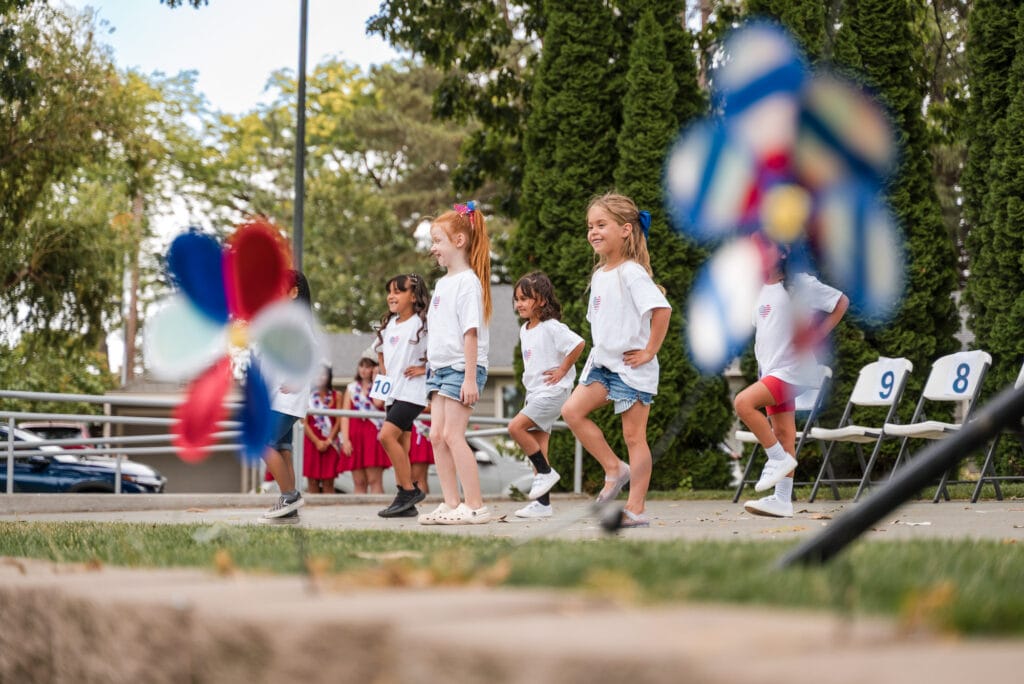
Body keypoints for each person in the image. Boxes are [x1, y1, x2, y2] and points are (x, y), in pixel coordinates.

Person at [561, 193, 671, 529]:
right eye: (590, 226)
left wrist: (650, 350)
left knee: (634, 437)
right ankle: (614, 468)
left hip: (630, 367)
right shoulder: (600, 274)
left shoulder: (632, 273)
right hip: (603, 364)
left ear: (625, 229)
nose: (593, 231)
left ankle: (635, 508)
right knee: (571, 412)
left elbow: (662, 310)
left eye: (601, 225)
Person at [737, 234, 848, 518]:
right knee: (785, 434)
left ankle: (776, 460)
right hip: (772, 371)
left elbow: (841, 302)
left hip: (794, 371)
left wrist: (819, 334)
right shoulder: (759, 291)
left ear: (784, 252)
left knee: (743, 403)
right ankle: (782, 500)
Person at [418, 201, 493, 525]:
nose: (434, 248)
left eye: (438, 241)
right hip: (440, 369)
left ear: (459, 241)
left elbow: (470, 333)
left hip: (462, 368)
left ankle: (475, 504)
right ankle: (451, 503)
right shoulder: (442, 283)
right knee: (436, 435)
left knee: (453, 435)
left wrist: (470, 378)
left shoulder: (468, 282)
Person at [508, 271, 585, 519]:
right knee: (539, 447)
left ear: (541, 300)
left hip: (553, 393)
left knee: (515, 428)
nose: (519, 304)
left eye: (525, 298)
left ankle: (546, 472)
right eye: (516, 299)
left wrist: (563, 369)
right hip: (535, 393)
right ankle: (543, 504)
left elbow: (578, 344)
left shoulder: (552, 327)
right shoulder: (525, 330)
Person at [259, 269, 315, 524]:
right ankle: (289, 508)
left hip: (286, 398)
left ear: (294, 293)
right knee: (282, 449)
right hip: (272, 398)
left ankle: (289, 496)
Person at [375, 274, 431, 518]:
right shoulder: (388, 326)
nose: (391, 296)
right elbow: (380, 356)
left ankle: (409, 490)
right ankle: (405, 502)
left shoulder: (423, 324)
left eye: (398, 291)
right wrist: (381, 390)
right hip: (393, 394)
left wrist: (424, 369)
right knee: (401, 444)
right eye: (390, 291)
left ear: (413, 295)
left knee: (386, 436)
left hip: (413, 392)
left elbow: (442, 351)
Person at [340, 353, 391, 494]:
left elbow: (378, 402)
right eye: (361, 366)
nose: (363, 370)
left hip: (373, 435)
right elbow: (344, 416)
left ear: (374, 368)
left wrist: (377, 378)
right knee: (358, 482)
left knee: (374, 480)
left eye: (368, 366)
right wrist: (345, 440)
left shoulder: (382, 383)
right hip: (354, 436)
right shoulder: (351, 388)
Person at [302, 363, 342, 494]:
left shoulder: (337, 395)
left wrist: (329, 440)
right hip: (312, 441)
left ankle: (331, 513)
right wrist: (317, 441)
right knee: (312, 481)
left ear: (329, 376)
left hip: (330, 442)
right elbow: (304, 422)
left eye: (323, 373)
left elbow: (339, 420)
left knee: (329, 481)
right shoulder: (307, 395)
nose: (320, 377)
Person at [408, 415, 434, 493]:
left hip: (420, 430)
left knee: (418, 478)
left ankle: (422, 504)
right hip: (410, 429)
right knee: (411, 478)